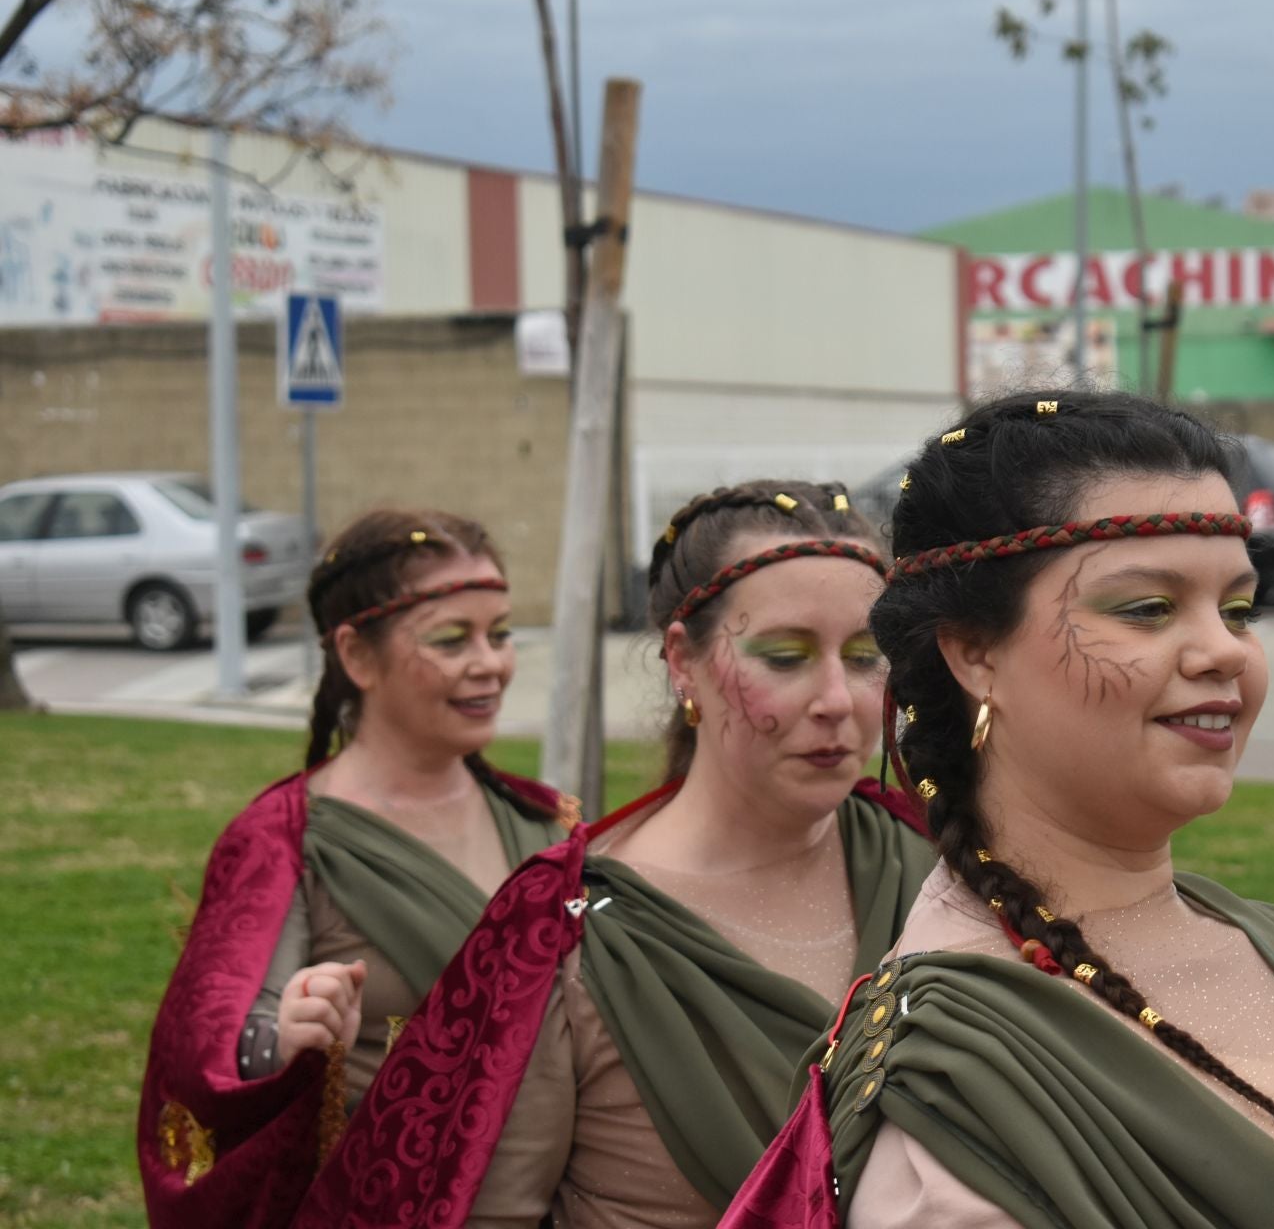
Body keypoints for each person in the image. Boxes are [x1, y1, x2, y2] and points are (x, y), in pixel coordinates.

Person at [721, 392, 1274, 1229]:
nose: (1225, 650)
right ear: (975, 652)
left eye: (1239, 609)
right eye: (1148, 608)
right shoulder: (958, 1102)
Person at [293, 480, 935, 1229]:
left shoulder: (937, 869)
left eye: (865, 657)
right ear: (682, 663)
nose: (838, 698)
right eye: (785, 656)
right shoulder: (564, 935)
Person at [138, 509, 578, 1228]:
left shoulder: (546, 823)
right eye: (451, 638)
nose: (490, 663)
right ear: (357, 656)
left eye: (499, 634)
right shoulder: (287, 839)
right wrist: (288, 1035)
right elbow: (213, 1058)